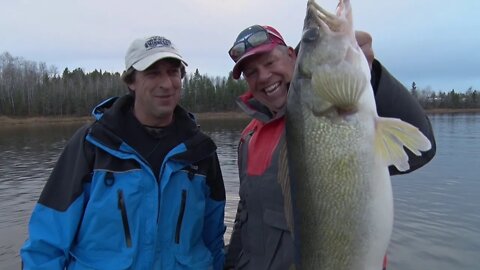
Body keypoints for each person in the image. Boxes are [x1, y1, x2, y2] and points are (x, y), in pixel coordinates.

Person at [224, 25, 437, 270]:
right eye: (252, 72)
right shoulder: (248, 137)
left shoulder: (331, 121)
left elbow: (421, 150)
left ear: (293, 56)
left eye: (270, 62)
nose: (263, 76)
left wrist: (371, 76)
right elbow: (245, 213)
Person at [20, 35, 226, 270]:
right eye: (153, 73)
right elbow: (46, 243)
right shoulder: (92, 145)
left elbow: (213, 237)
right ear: (131, 81)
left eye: (173, 72)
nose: (167, 83)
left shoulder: (200, 151)